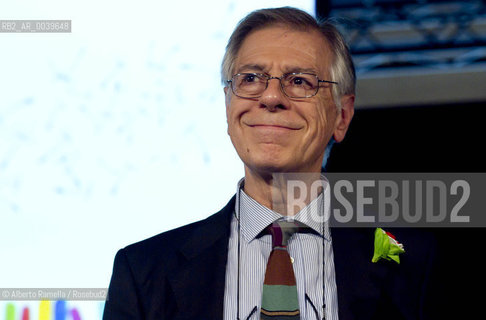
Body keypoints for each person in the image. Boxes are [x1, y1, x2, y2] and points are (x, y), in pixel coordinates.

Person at [103, 7, 439, 320]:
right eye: (250, 79)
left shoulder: (412, 262)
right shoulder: (145, 271)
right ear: (228, 104)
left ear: (342, 116)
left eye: (300, 81)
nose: (271, 97)